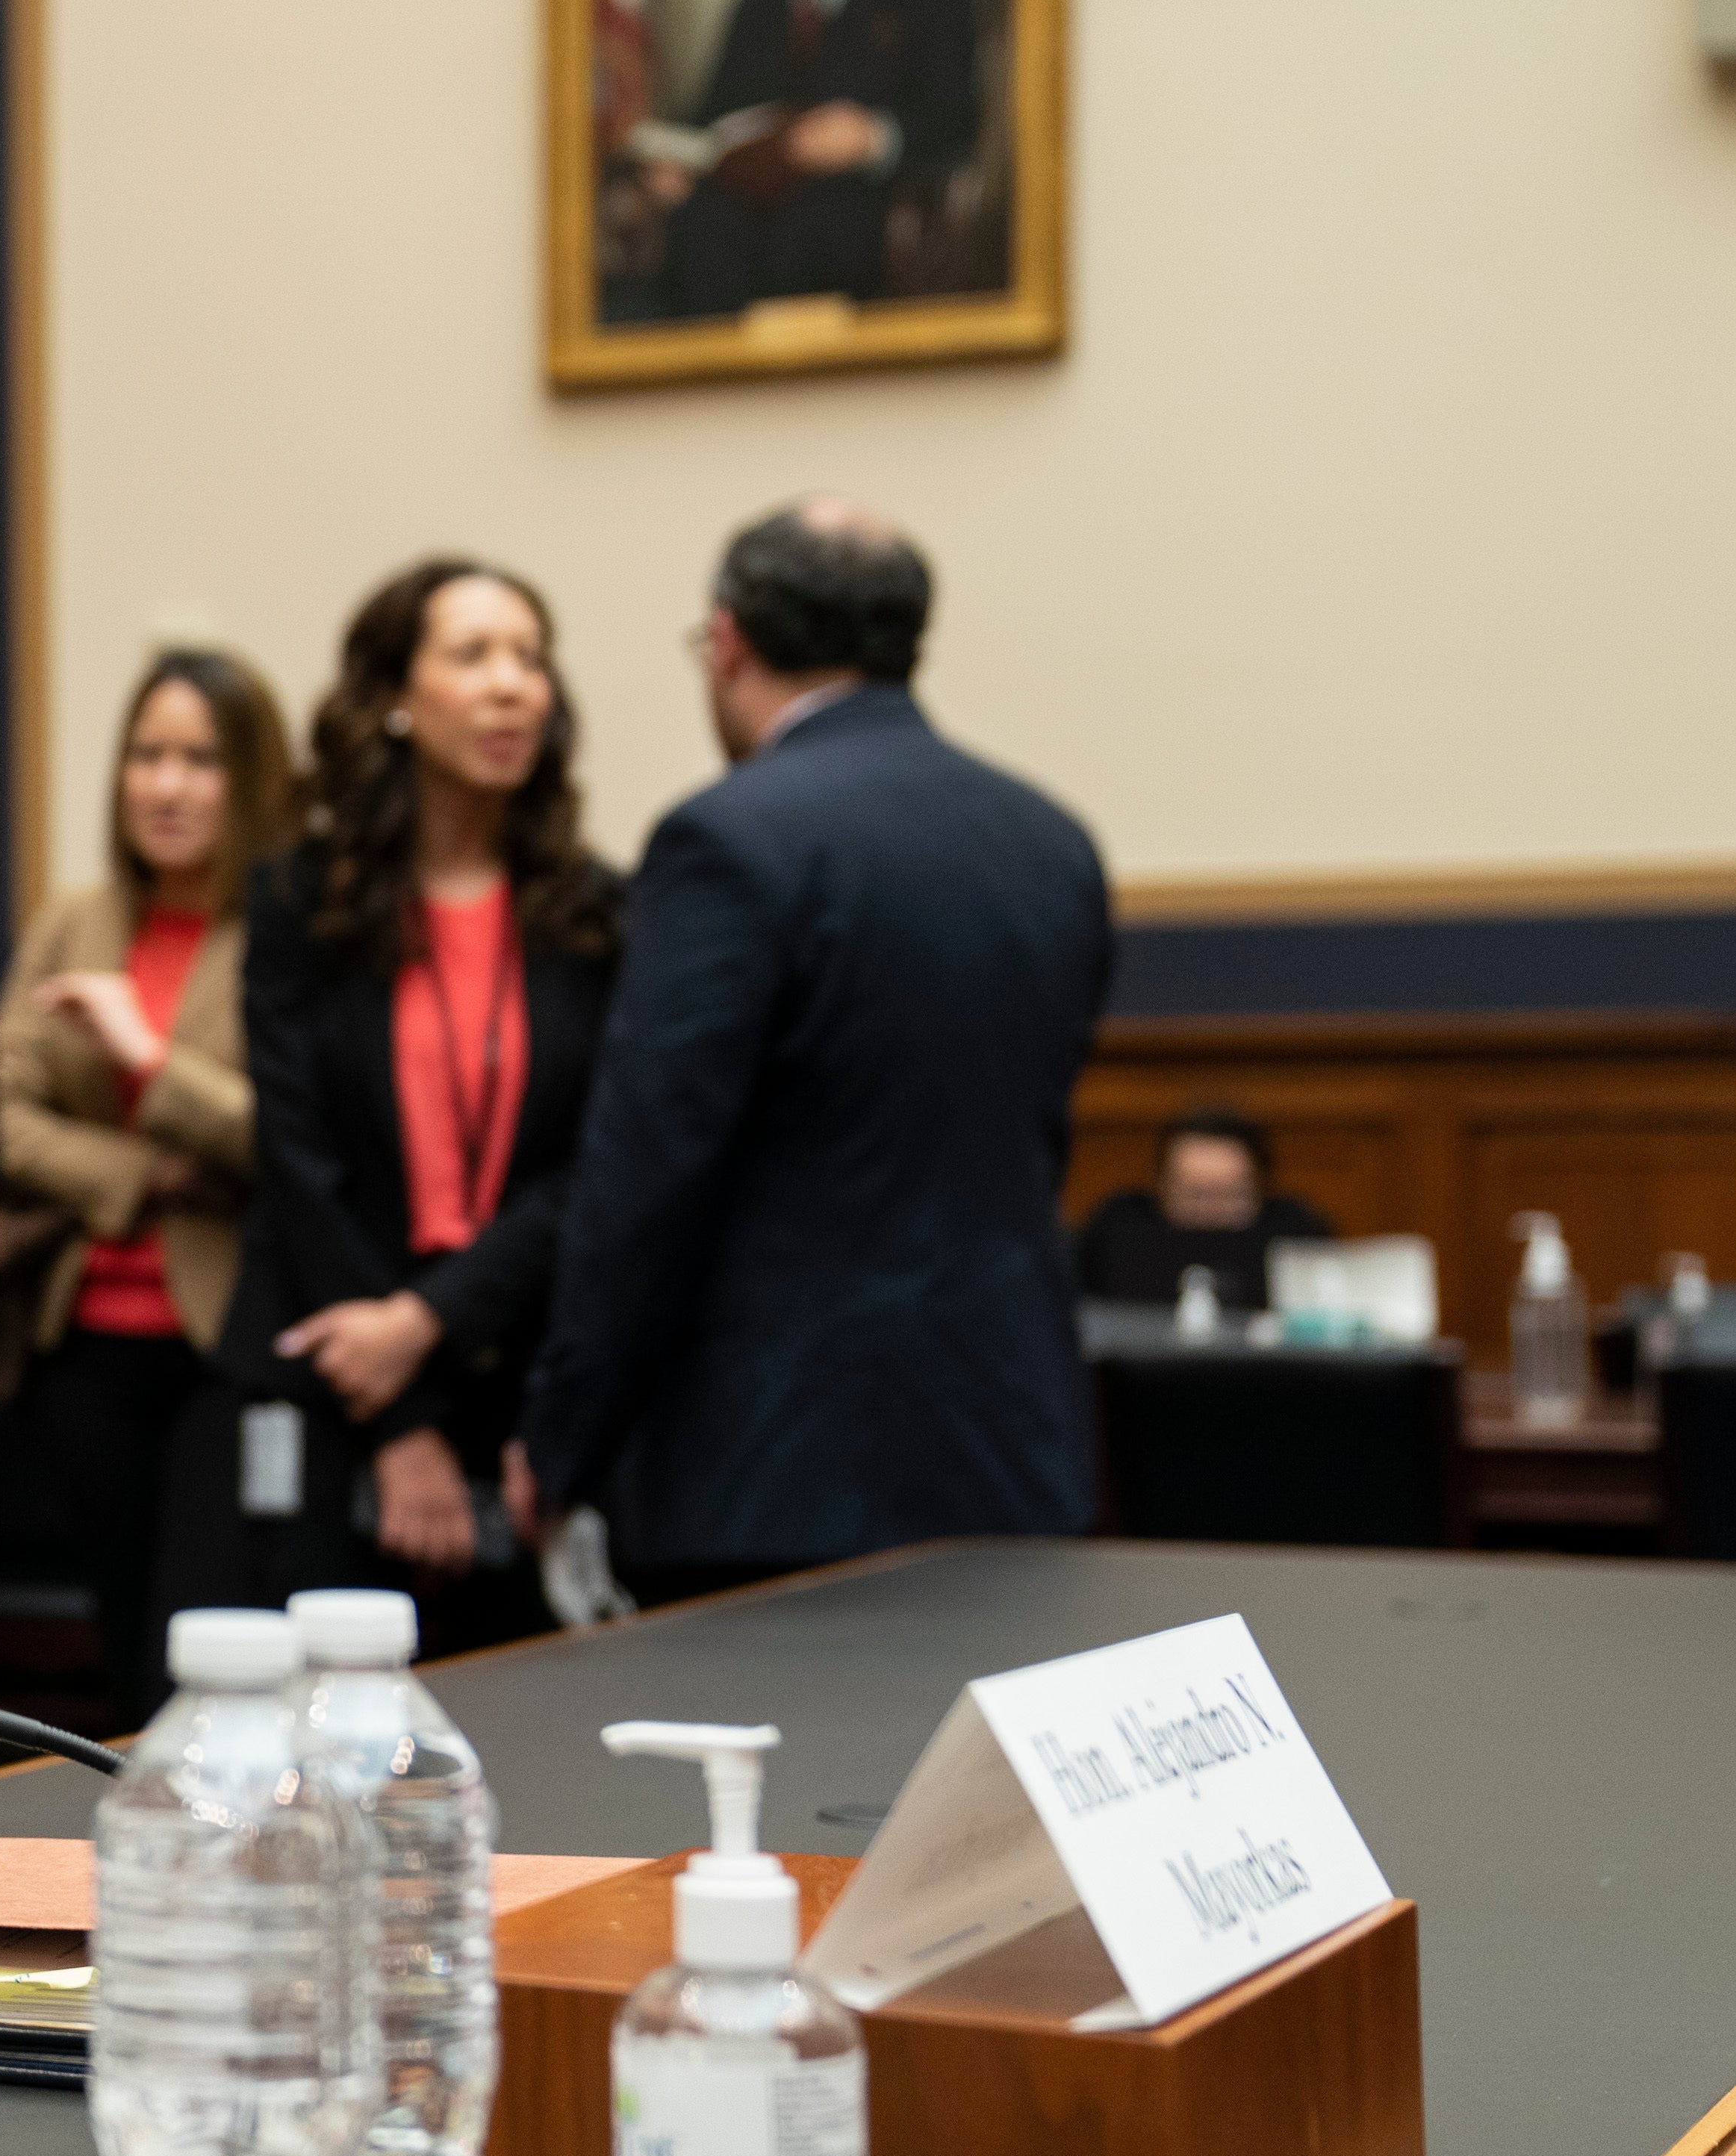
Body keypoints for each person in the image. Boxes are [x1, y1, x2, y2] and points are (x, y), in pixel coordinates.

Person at [517, 500, 1113, 1607]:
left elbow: (647, 1171)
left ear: (728, 639)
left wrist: (561, 1441)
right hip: (1010, 1454)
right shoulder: (1050, 841)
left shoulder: (725, 840)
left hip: (768, 1468)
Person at [186, 564, 622, 1659]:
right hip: (328, 1373)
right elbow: (296, 1157)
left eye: (529, 658)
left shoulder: (592, 910)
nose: (511, 686)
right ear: (392, 694)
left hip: (513, 1377)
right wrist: (398, 1416)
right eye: (472, 655)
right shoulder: (300, 898)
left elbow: (590, 1164)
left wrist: (425, 1325)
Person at [0, 647, 287, 1725]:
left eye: (199, 759)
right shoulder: (72, 919)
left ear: (250, 778)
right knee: (116, 1649)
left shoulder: (281, 932)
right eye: (147, 755)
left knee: (197, 1661)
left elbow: (281, 1133)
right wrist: (143, 1173)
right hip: (77, 1343)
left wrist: (149, 1059)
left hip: (220, 1347)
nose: (166, 784)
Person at [646, 0, 988, 317]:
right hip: (741, 205)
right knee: (695, 231)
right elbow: (708, 116)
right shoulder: (756, 1)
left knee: (816, 232)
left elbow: (957, 111)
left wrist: (875, 136)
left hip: (854, 206)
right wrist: (679, 158)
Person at [1077, 1108, 1337, 1309]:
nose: (1211, 1212)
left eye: (1231, 1195)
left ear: (1261, 1191)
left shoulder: (1297, 1235)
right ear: (1161, 1188)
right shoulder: (1118, 1232)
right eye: (1196, 1195)